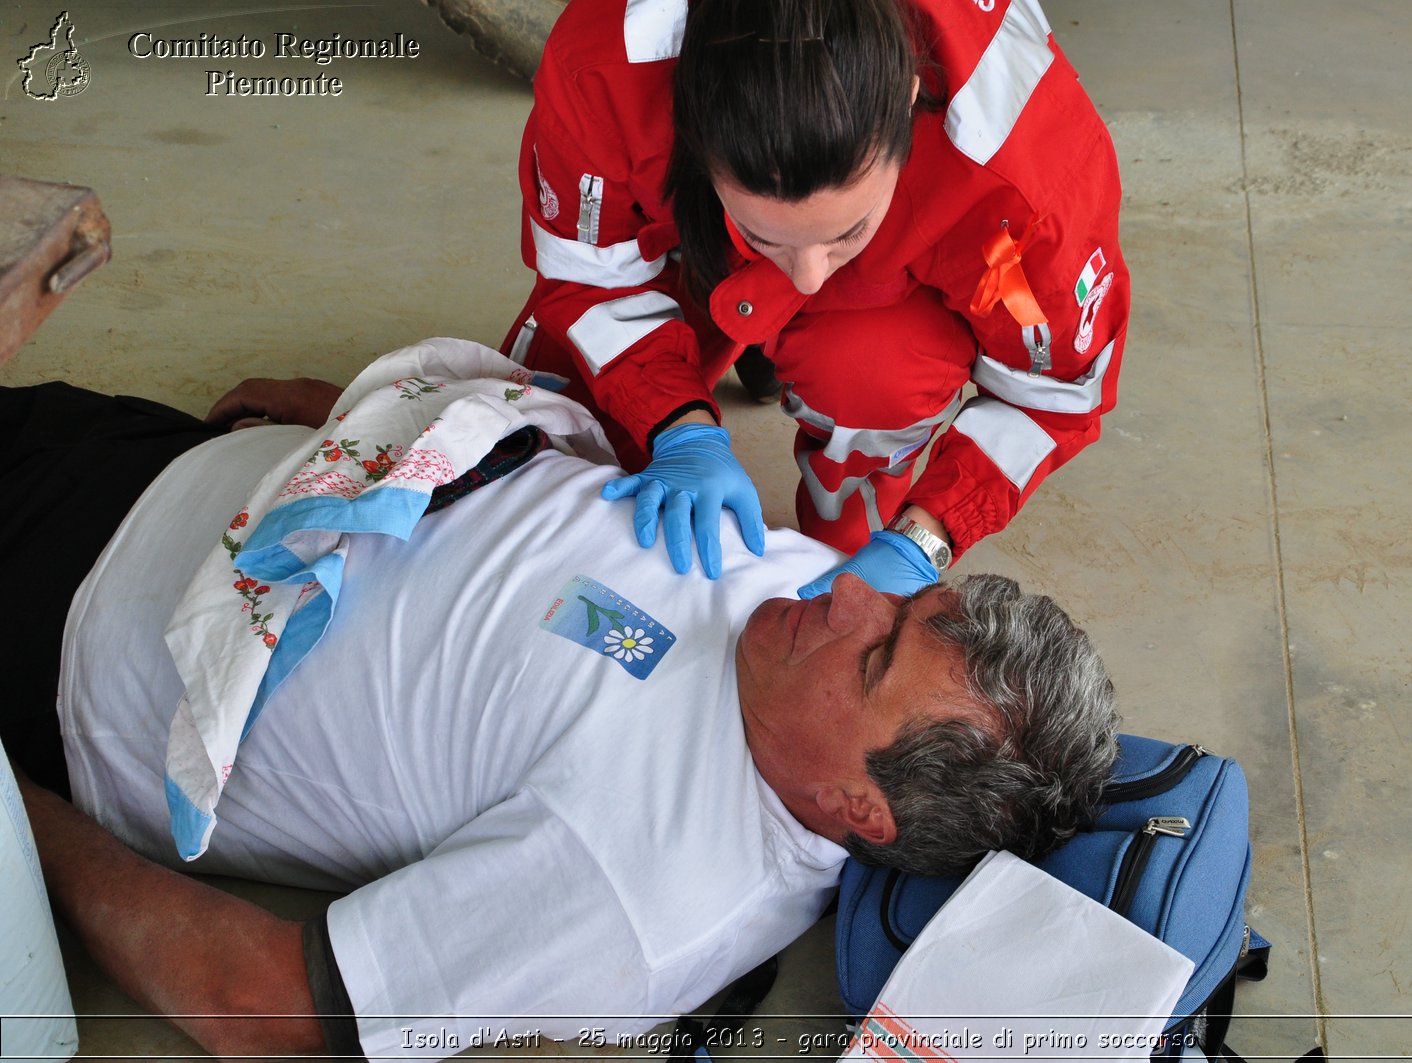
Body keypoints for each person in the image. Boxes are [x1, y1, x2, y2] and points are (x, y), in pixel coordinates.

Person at [3, 355, 1121, 1061]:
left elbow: (260, 1004)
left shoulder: (645, 891)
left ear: (855, 807)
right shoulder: (809, 633)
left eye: (875, 651)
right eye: (902, 602)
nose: (848, 588)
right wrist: (350, 425)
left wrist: (18, 815)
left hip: (71, 619)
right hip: (217, 470)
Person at [496, 0, 1128, 599]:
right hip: (688, 235)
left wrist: (926, 537)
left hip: (890, 290)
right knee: (543, 450)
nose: (806, 279)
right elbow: (589, 278)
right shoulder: (606, 68)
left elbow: (1053, 395)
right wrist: (675, 426)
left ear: (909, 100)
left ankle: (847, 513)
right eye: (762, 233)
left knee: (874, 373)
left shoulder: (1023, 168)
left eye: (847, 231)